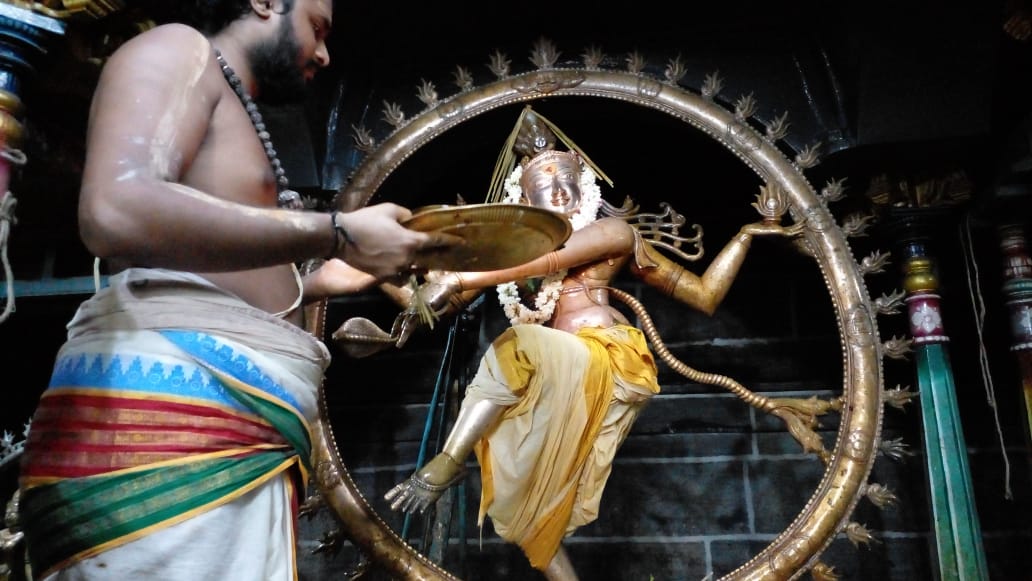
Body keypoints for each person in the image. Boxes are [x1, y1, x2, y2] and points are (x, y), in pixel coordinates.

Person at [14, 1, 460, 579]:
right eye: (317, 28)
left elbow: (214, 273)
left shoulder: (233, 102)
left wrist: (321, 280)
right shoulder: (179, 48)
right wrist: (339, 232)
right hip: (163, 438)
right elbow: (115, 209)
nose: (324, 54)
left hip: (227, 438)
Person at [376, 107, 804, 580]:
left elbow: (701, 295)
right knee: (522, 513)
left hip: (608, 358)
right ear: (525, 197)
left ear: (585, 183)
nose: (559, 190)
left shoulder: (611, 233)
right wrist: (375, 267)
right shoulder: (510, 261)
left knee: (513, 344)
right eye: (545, 184)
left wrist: (746, 236)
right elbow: (431, 308)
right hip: (557, 378)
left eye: (567, 178)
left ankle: (447, 461)